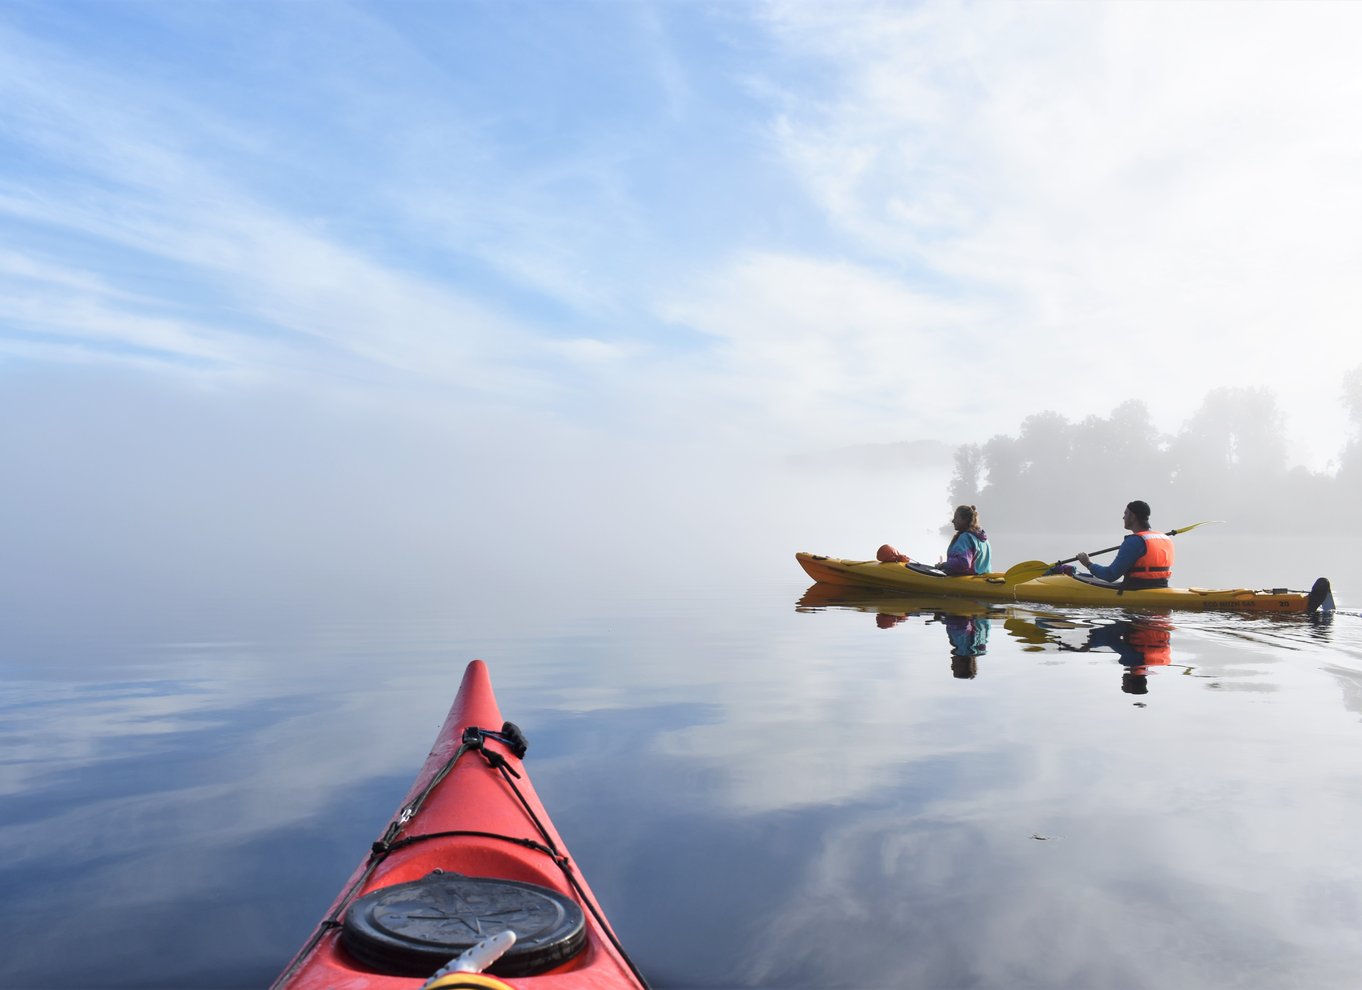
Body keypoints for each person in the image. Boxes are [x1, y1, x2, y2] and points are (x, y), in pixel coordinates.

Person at [1076, 500, 1173, 589]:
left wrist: (1088, 563)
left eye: (1125, 514)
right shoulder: (1164, 537)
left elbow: (1110, 575)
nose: (1123, 517)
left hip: (1135, 589)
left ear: (1133, 516)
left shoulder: (1135, 541)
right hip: (1162, 586)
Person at [877, 505, 992, 575]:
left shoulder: (965, 538)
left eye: (956, 518)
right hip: (983, 576)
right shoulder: (982, 538)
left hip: (967, 579)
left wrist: (944, 565)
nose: (953, 521)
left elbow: (963, 564)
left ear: (965, 519)